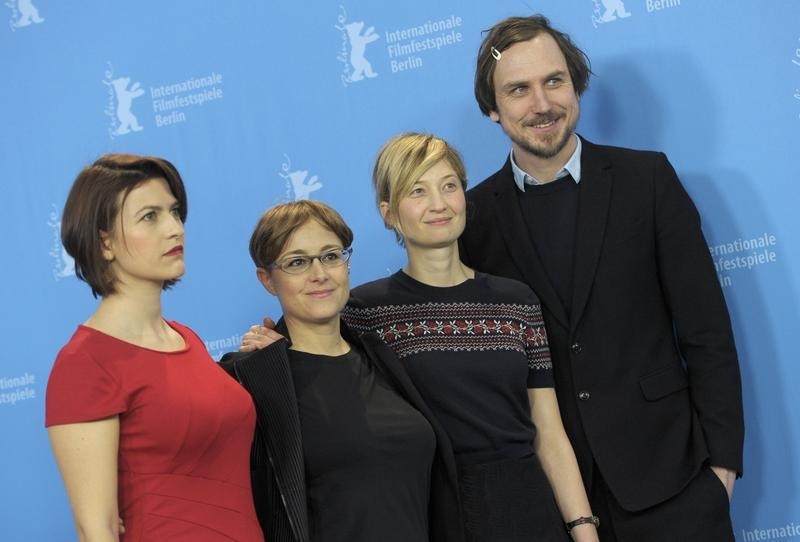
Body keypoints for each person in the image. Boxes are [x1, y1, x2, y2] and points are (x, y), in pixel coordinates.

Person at [459, 14, 744, 541]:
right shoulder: (472, 219)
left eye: (554, 80)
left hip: (674, 486)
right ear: (493, 109)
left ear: (575, 85)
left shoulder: (647, 180)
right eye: (518, 90)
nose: (541, 104)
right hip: (555, 503)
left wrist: (721, 471)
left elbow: (708, 332)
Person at [244, 135, 599, 542]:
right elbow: (317, 356)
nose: (438, 203)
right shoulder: (364, 309)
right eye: (417, 190)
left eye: (449, 186)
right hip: (434, 509)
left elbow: (549, 432)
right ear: (388, 213)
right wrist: (272, 353)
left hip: (526, 504)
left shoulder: (517, 301)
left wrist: (582, 527)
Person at [45, 154, 263, 542]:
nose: (175, 229)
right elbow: (96, 530)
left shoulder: (187, 339)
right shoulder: (84, 363)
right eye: (150, 216)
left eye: (175, 212)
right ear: (104, 241)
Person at [221, 200, 464, 542]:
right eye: (297, 262)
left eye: (331, 256)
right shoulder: (251, 379)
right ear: (268, 280)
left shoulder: (379, 354)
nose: (319, 273)